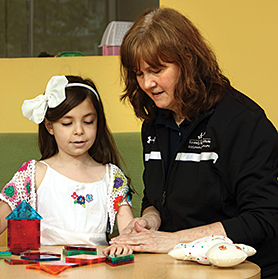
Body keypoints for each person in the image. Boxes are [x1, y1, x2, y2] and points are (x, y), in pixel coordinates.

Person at [109, 7, 278, 278]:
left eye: (157, 70)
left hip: (245, 271)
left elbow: (264, 218)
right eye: (139, 73)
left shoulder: (242, 120)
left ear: (188, 60)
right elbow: (156, 200)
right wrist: (148, 223)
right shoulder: (154, 124)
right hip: (179, 267)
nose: (147, 83)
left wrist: (174, 240)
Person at [0, 75, 134, 255]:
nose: (79, 131)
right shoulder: (34, 174)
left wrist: (124, 244)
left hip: (96, 269)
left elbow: (128, 232)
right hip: (45, 269)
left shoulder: (112, 177)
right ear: (49, 126)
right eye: (67, 123)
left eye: (88, 121)